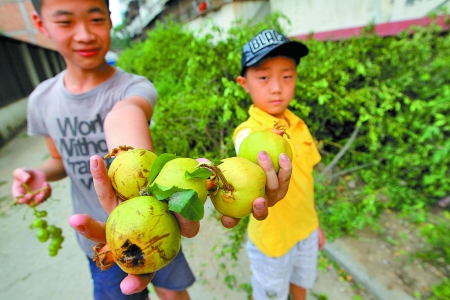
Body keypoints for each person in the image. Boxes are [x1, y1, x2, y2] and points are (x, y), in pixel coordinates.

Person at [10, 1, 293, 299]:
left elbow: (124, 113)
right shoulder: (41, 100)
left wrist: (142, 180)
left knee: (174, 293)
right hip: (97, 231)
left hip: (159, 221)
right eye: (66, 22)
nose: (84, 34)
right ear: (40, 24)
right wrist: (39, 173)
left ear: (110, 19)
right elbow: (58, 159)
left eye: (95, 18)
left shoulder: (133, 86)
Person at [233, 29, 327, 300]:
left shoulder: (298, 125)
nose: (277, 87)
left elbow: (306, 182)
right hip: (272, 240)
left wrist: (316, 223)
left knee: (302, 285)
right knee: (271, 293)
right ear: (244, 83)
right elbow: (245, 146)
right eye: (263, 77)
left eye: (287, 76)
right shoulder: (247, 132)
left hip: (306, 230)